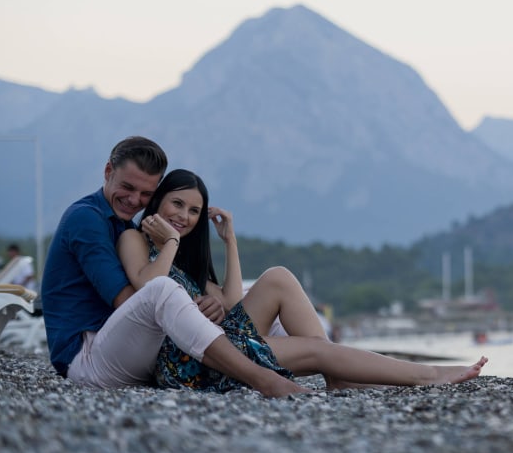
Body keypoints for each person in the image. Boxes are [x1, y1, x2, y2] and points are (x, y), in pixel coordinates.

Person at [117, 168, 488, 391]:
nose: (185, 216)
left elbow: (231, 302)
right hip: (188, 364)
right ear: (158, 202)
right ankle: (427, 376)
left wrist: (229, 242)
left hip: (216, 343)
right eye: (177, 204)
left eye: (194, 210)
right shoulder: (135, 239)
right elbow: (149, 289)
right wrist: (170, 242)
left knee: (277, 276)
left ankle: (339, 374)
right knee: (318, 349)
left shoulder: (182, 255)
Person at [42, 137, 306, 398]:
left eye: (146, 194)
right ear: (108, 171)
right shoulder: (87, 218)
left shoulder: (124, 225)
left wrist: (207, 292)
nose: (134, 200)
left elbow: (230, 301)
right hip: (85, 357)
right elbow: (133, 301)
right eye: (128, 187)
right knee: (162, 290)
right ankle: (262, 378)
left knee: (259, 297)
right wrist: (174, 250)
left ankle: (327, 364)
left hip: (122, 347)